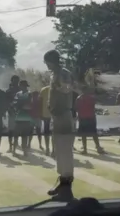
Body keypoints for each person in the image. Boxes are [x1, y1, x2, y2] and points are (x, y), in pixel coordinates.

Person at [44, 49, 75, 201]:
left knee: (65, 150)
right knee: (59, 149)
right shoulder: (53, 75)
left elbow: (67, 88)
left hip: (64, 115)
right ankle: (62, 180)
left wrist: (57, 84)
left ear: (53, 61)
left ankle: (67, 186)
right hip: (56, 116)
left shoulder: (64, 73)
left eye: (47, 62)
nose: (46, 65)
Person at [76, 86, 104, 154]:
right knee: (93, 133)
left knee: (84, 134)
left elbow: (76, 108)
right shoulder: (91, 98)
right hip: (90, 117)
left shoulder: (79, 98)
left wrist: (79, 116)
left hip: (83, 117)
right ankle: (98, 147)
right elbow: (93, 106)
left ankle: (85, 149)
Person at [13, 80, 33, 156]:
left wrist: (20, 105)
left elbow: (29, 106)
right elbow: (15, 104)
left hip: (25, 117)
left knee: (24, 135)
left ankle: (24, 151)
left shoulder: (29, 94)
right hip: (20, 116)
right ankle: (15, 150)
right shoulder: (18, 94)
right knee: (16, 135)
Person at [5, 75, 21, 152]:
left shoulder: (21, 91)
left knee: (16, 130)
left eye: (17, 81)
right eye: (14, 81)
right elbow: (6, 102)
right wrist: (7, 110)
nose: (15, 82)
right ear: (11, 81)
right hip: (11, 113)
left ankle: (14, 145)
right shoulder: (8, 91)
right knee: (10, 131)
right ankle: (11, 146)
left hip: (19, 113)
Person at [39, 85, 53, 156]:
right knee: (53, 133)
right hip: (54, 115)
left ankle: (48, 148)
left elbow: (40, 102)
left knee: (46, 132)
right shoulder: (58, 89)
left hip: (46, 114)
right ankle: (52, 150)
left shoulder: (43, 89)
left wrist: (40, 113)